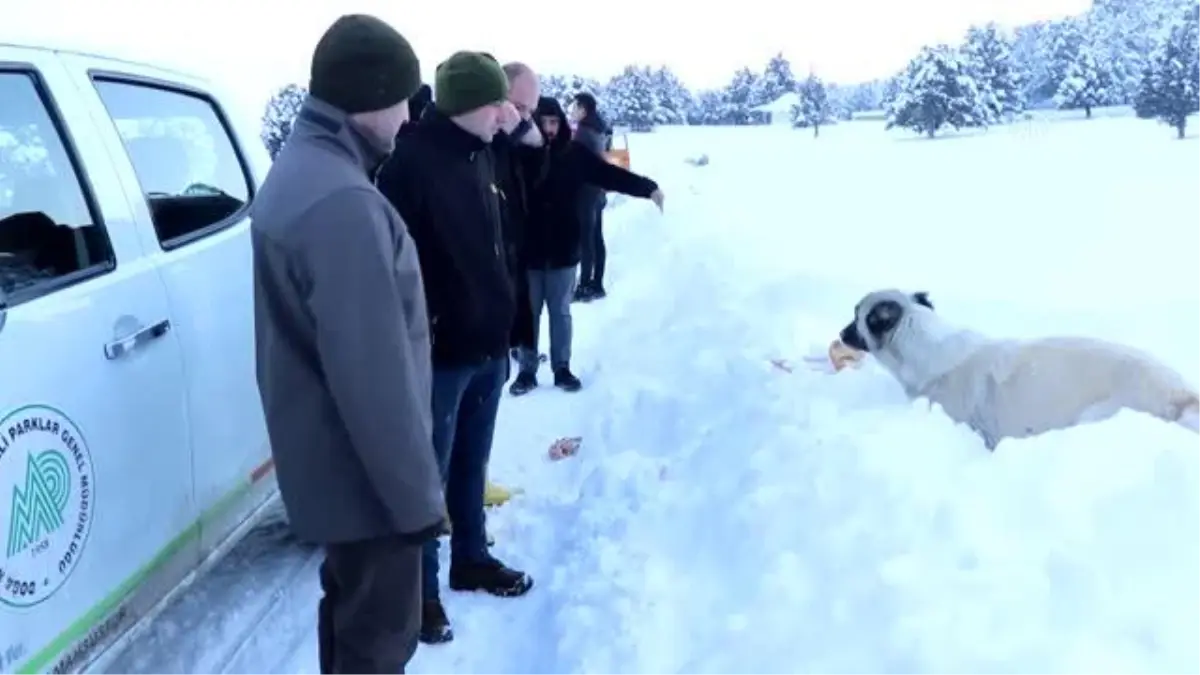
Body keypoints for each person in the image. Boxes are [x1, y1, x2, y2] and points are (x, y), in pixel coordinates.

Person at [250, 14, 444, 675]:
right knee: (380, 640)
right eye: (403, 101)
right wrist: (418, 504)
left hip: (336, 469)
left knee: (351, 620)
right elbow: (373, 377)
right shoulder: (341, 204)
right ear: (369, 97)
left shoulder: (305, 170)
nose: (408, 119)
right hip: (370, 485)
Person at [376, 50, 534, 646]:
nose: (508, 115)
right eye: (499, 104)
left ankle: (472, 557)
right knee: (427, 481)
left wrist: (512, 324)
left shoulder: (484, 154)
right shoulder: (409, 164)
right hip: (439, 355)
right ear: (469, 104)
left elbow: (497, 248)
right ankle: (422, 595)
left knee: (470, 468)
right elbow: (393, 267)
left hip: (488, 347)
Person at [509, 96, 664, 396]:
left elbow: (610, 174)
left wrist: (647, 188)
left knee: (561, 312)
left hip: (564, 248)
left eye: (555, 122)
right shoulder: (519, 154)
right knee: (528, 314)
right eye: (545, 123)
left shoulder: (574, 153)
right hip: (527, 250)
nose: (550, 129)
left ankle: (561, 368)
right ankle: (526, 372)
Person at [494, 62, 544, 376]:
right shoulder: (481, 148)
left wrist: (521, 125)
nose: (525, 117)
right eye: (519, 107)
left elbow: (539, 145)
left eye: (530, 111)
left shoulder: (514, 140)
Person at [568, 92, 611, 302]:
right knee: (596, 238)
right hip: (599, 190)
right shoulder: (599, 127)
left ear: (583, 108)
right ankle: (597, 284)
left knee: (586, 240)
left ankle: (585, 286)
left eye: (574, 107)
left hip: (587, 192)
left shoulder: (583, 132)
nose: (572, 110)